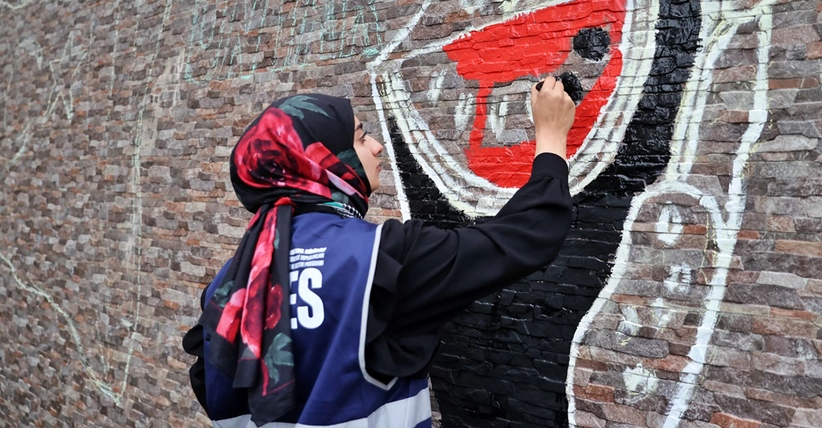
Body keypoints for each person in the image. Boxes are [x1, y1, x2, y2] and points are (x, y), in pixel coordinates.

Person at [182, 76, 576, 428]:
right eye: (360, 137)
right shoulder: (378, 258)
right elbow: (525, 236)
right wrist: (552, 136)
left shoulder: (229, 286)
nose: (376, 147)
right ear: (320, 159)